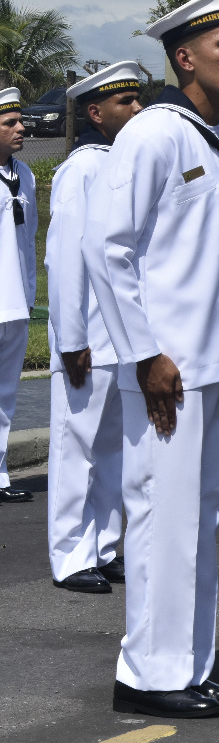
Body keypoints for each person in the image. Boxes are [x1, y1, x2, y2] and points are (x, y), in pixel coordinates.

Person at [84, 0, 219, 718]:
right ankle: (147, 671)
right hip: (169, 367)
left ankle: (187, 663)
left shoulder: (211, 132)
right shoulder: (155, 133)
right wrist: (143, 353)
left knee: (200, 518)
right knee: (163, 514)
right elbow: (109, 247)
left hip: (214, 360)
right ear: (185, 57)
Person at [45, 62, 140, 593]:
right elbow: (66, 260)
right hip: (89, 336)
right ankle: (70, 555)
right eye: (125, 103)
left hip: (120, 334)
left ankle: (104, 546)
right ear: (95, 112)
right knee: (75, 444)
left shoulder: (119, 161)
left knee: (111, 449)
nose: (137, 109)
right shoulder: (82, 167)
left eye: (137, 99)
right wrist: (72, 337)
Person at [0, 86, 36, 505]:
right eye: (9, 123)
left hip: (15, 304)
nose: (20, 129)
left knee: (5, 394)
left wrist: (29, 294)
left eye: (20, 121)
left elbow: (28, 242)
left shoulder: (24, 174)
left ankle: (1, 474)